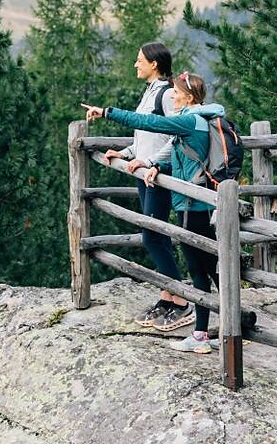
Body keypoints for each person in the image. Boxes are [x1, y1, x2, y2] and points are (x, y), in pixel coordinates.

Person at [88, 71, 229, 355]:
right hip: (196, 204)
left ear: (188, 97)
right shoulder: (200, 121)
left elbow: (150, 123)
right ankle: (222, 326)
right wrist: (156, 165)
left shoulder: (190, 119)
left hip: (192, 206)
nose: (172, 96)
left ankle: (202, 335)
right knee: (210, 269)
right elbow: (185, 156)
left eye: (176, 93)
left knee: (199, 271)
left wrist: (107, 112)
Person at [97, 42, 190, 333]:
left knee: (152, 234)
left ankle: (182, 300)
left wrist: (150, 162)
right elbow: (145, 135)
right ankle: (167, 296)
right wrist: (124, 154)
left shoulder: (166, 93)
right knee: (155, 235)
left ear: (154, 64)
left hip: (158, 174)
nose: (135, 65)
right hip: (144, 171)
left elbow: (176, 136)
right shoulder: (150, 91)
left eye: (140, 60)